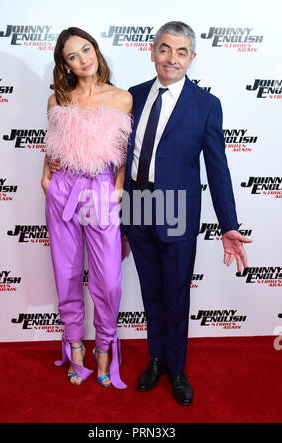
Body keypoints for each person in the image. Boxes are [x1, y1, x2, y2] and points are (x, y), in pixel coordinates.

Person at [122, 21, 252, 405]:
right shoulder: (133, 95)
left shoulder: (206, 105)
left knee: (176, 292)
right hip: (137, 204)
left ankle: (176, 368)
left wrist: (228, 224)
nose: (171, 58)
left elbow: (218, 168)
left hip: (177, 208)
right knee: (151, 290)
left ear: (192, 58)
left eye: (181, 52)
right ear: (152, 51)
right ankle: (156, 357)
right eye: (165, 49)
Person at [41, 27, 132, 389]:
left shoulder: (122, 98)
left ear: (96, 49)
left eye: (86, 48)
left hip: (101, 191)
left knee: (108, 280)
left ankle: (105, 347)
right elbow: (52, 148)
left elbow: (122, 150)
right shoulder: (58, 100)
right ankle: (76, 345)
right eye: (72, 56)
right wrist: (46, 180)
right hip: (63, 190)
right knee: (66, 274)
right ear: (64, 65)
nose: (83, 59)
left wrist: (119, 188)